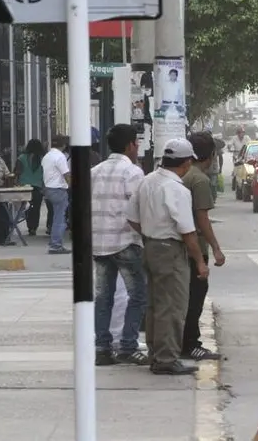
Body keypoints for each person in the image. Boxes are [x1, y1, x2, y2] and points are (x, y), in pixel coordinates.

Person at [126, 138, 209, 375]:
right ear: (186, 162)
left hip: (150, 246)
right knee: (172, 306)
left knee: (156, 304)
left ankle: (156, 353)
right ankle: (166, 358)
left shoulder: (147, 181)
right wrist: (200, 262)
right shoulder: (177, 189)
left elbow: (131, 216)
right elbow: (188, 231)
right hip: (170, 250)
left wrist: (150, 233)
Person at [91, 124, 149, 366]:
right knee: (138, 295)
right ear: (129, 145)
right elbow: (139, 210)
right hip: (125, 242)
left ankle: (102, 348)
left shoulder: (94, 171)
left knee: (104, 297)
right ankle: (128, 345)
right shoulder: (132, 172)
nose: (137, 147)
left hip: (99, 243)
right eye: (136, 143)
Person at [180, 132, 227, 361]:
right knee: (195, 296)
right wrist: (216, 248)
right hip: (194, 248)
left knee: (185, 297)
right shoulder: (199, 180)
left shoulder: (184, 174)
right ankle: (190, 344)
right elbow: (202, 220)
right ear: (209, 155)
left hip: (181, 248)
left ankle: (183, 341)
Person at [41, 135, 72, 254]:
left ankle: (54, 242)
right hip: (58, 189)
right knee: (60, 219)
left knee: (56, 217)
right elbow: (66, 174)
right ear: (64, 145)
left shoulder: (47, 156)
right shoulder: (60, 157)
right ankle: (56, 245)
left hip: (49, 189)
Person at [14, 139, 46, 236]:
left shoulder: (21, 158)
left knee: (26, 207)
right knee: (36, 208)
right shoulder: (43, 159)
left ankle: (29, 225)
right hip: (38, 186)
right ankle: (33, 228)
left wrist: (16, 183)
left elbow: (17, 172)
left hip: (24, 187)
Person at [0, 148, 14, 247]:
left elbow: (7, 173)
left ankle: (4, 238)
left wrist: (8, 177)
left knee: (4, 215)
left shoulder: (0, 160)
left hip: (0, 191)